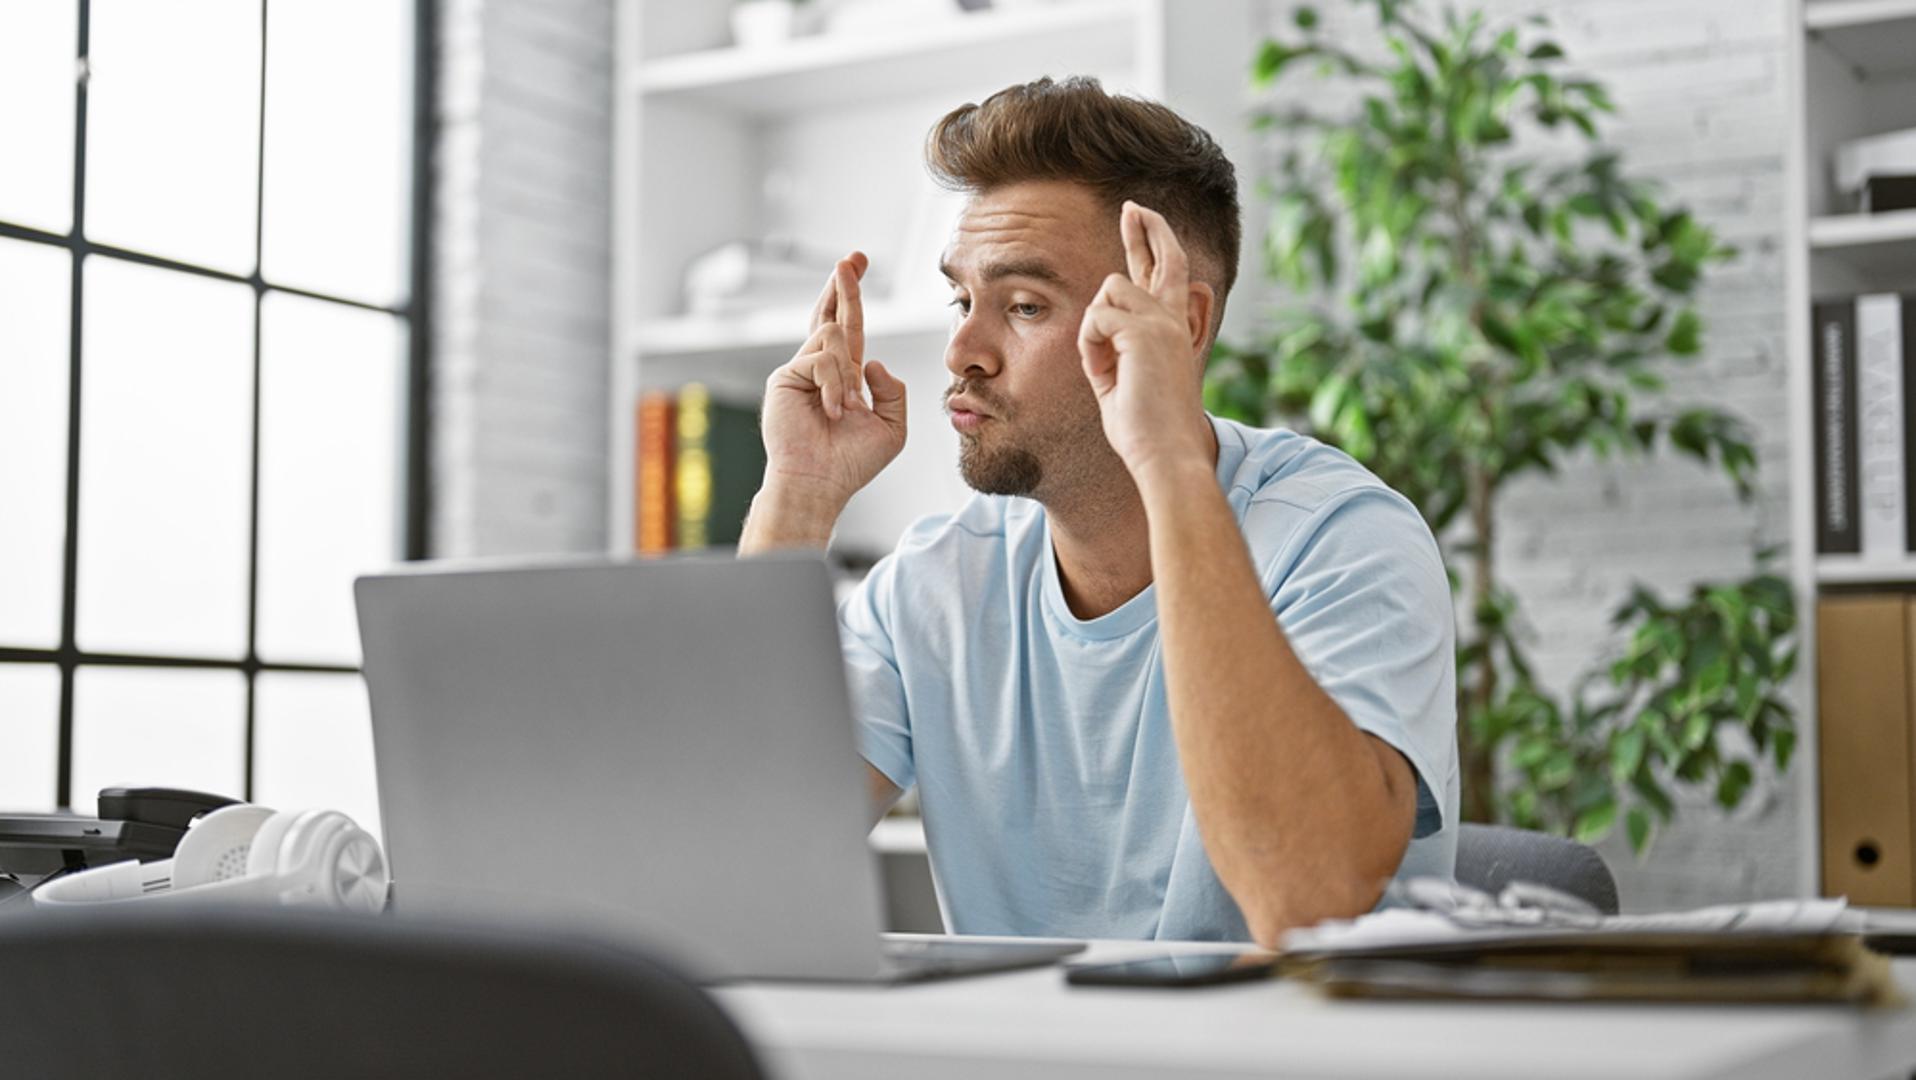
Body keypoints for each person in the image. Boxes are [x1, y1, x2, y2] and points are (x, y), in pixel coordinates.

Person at [738, 76, 1458, 947]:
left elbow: (1304, 899)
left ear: (1182, 326)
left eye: (1025, 306)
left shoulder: (1339, 541)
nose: (962, 351)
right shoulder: (935, 581)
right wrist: (797, 500)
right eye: (962, 301)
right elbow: (738, 866)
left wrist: (1166, 459)